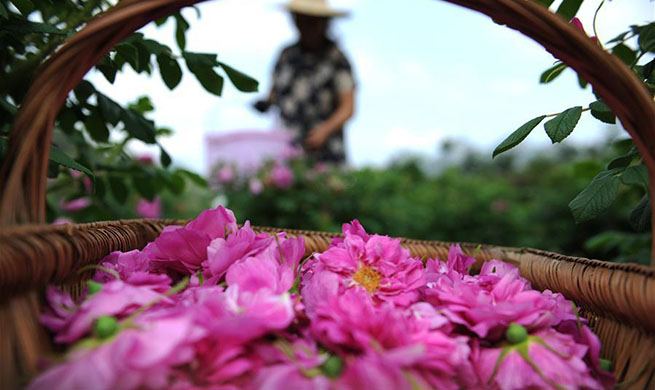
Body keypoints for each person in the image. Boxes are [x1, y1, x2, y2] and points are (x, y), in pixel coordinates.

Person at [254, 0, 356, 164]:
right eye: (301, 20)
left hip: (326, 154)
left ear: (324, 23)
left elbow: (348, 107)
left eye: (312, 21)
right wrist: (265, 103)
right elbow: (275, 93)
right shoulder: (286, 55)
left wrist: (324, 131)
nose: (307, 26)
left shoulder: (336, 59)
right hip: (287, 149)